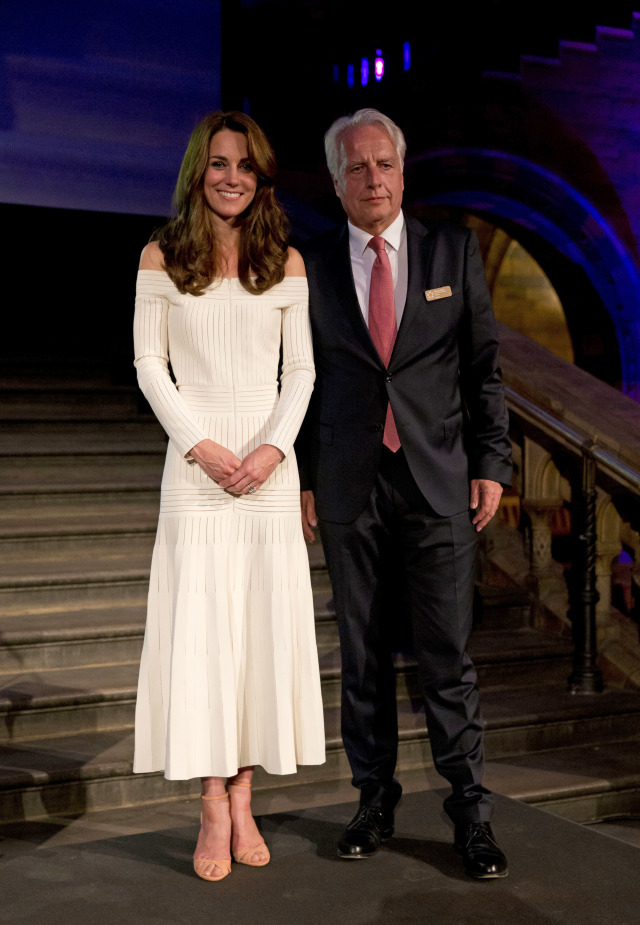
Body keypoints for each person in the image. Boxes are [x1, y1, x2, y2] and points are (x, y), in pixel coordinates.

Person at [297, 108, 512, 878]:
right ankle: (373, 800)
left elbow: (482, 369)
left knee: (447, 658)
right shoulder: (309, 266)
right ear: (336, 181)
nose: (373, 179)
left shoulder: (451, 248)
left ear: (402, 170)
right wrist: (304, 477)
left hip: (438, 481)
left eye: (383, 164)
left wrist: (492, 462)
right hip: (351, 484)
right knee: (362, 657)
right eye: (356, 168)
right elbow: (296, 382)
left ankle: (472, 814)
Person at [133, 110, 325, 883]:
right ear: (198, 171)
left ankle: (246, 790)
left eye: (245, 166)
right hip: (196, 471)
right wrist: (204, 447)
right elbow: (150, 364)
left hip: (268, 475)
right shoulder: (160, 256)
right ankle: (212, 798)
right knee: (204, 634)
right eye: (219, 164)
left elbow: (302, 372)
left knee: (256, 635)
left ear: (262, 177)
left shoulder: (288, 263)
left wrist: (274, 448)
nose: (232, 177)